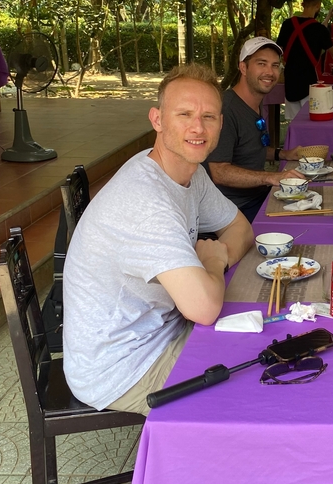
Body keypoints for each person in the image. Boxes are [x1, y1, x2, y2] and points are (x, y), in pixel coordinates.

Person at [63, 64, 254, 415]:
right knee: (252, 387)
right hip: (123, 366)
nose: (198, 127)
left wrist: (210, 269)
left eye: (209, 117)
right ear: (157, 120)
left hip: (165, 328)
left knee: (264, 340)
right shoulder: (145, 200)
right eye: (184, 114)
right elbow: (204, 308)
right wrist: (212, 263)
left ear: (220, 124)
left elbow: (241, 229)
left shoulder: (188, 172)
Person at [205, 37, 304, 222]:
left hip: (256, 197)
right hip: (233, 209)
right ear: (243, 68)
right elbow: (219, 172)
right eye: (261, 64)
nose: (270, 72)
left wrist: (283, 154)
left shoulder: (254, 103)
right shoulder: (226, 109)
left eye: (275, 65)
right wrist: (271, 177)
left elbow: (249, 148)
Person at [276, 0, 333, 121]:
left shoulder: (287, 24)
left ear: (303, 4)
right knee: (311, 121)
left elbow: (278, 50)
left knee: (294, 122)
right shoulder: (320, 30)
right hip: (310, 82)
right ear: (318, 6)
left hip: (291, 80)